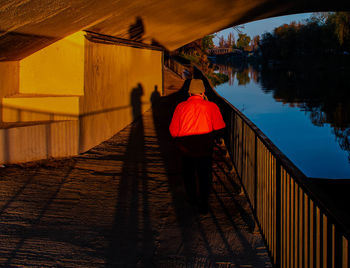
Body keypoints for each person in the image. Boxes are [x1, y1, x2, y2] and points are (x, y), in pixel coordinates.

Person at [169, 79, 226, 214]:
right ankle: (204, 204)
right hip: (204, 148)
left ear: (189, 92)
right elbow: (220, 127)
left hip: (186, 149)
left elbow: (173, 130)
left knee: (188, 175)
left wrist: (179, 143)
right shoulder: (211, 106)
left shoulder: (180, 107)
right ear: (203, 92)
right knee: (204, 175)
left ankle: (192, 199)